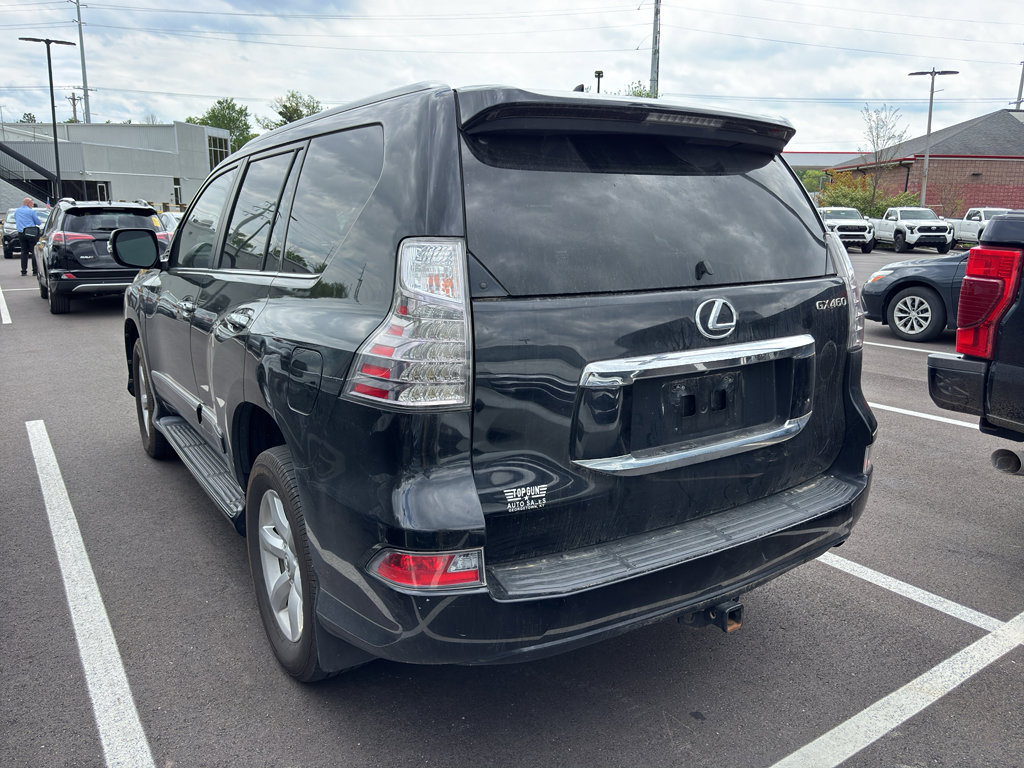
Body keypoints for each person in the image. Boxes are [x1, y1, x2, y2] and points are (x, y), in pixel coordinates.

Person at [15, 197, 42, 276]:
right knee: (33, 251)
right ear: (28, 203)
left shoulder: (17, 211)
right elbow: (38, 222)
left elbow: (17, 219)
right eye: (32, 203)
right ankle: (35, 271)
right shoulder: (31, 211)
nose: (32, 205)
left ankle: (23, 271)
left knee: (24, 251)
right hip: (31, 232)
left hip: (21, 232)